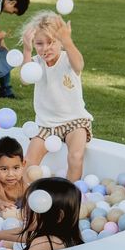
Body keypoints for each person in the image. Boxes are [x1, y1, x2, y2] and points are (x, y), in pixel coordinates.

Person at [21, 10, 93, 181]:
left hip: (74, 121)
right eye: (39, 43)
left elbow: (79, 64)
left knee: (75, 157)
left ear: (60, 42)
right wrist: (26, 49)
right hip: (46, 125)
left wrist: (68, 41)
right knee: (28, 162)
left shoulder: (67, 59)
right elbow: (25, 79)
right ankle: (22, 197)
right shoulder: (37, 63)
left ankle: (69, 194)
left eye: (51, 42)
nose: (45, 48)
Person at [0, 177, 83, 250]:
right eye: (26, 204)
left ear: (58, 216)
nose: (25, 210)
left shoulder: (42, 244)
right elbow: (26, 234)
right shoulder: (66, 237)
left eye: (33, 206)